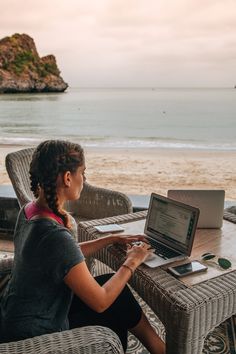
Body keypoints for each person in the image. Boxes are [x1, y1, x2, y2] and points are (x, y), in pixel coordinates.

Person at [0, 140, 165, 354]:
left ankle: (160, 349)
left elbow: (63, 255)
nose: (84, 180)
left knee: (118, 292)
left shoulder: (30, 210)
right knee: (114, 309)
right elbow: (100, 302)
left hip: (23, 312)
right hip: (38, 333)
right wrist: (132, 261)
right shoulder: (53, 235)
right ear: (68, 178)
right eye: (82, 173)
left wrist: (109, 239)